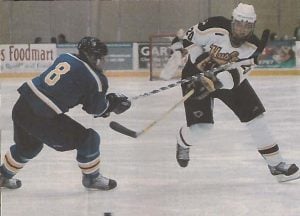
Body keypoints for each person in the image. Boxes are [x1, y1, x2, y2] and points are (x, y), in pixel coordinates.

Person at [175, 3, 299, 182]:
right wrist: (201, 62)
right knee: (202, 128)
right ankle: (182, 141)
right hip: (195, 74)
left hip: (226, 80)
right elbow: (189, 39)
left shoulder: (253, 46)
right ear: (233, 21)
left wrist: (217, 82)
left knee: (255, 117)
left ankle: (276, 165)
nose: (242, 30)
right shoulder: (214, 25)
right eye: (239, 24)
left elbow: (240, 73)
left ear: (253, 26)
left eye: (247, 26)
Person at [0, 36, 131, 190]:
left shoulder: (65, 57)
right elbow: (95, 109)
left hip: (22, 106)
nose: (103, 62)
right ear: (93, 57)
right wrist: (113, 105)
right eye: (101, 58)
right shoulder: (96, 79)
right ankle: (92, 179)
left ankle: (2, 176)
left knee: (28, 147)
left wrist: (106, 102)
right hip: (42, 116)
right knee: (89, 139)